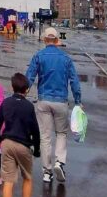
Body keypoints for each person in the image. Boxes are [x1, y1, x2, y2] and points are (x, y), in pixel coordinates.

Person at [26, 26, 82, 185]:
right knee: (61, 134)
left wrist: (21, 94)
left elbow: (29, 77)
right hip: (61, 101)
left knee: (45, 137)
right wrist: (78, 101)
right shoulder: (66, 59)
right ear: (57, 41)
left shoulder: (38, 56)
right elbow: (74, 82)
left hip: (43, 100)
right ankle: (60, 162)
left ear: (44, 40)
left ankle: (46, 171)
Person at [0, 72, 41, 197]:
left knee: (8, 180)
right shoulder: (29, 107)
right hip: (23, 145)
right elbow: (35, 129)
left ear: (12, 87)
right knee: (27, 177)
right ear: (26, 90)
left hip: (7, 143)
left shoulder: (6, 103)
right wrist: (37, 148)